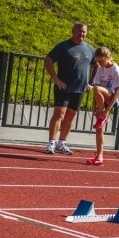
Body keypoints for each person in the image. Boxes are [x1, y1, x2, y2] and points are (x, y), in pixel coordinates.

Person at [44, 22, 96, 155]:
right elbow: (48, 60)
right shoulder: (63, 46)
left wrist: (91, 83)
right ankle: (51, 143)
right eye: (79, 31)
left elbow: (97, 65)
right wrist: (56, 79)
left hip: (79, 89)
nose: (81, 34)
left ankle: (62, 143)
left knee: (71, 116)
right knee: (59, 114)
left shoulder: (90, 49)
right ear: (73, 31)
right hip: (64, 87)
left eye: (84, 32)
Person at [88, 46, 119, 166]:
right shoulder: (100, 68)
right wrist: (94, 108)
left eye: (102, 61)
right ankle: (100, 157)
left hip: (113, 98)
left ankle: (103, 117)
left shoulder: (115, 70)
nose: (99, 64)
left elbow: (117, 92)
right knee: (99, 129)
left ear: (108, 58)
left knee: (97, 88)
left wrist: (106, 111)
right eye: (97, 61)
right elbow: (95, 91)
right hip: (102, 97)